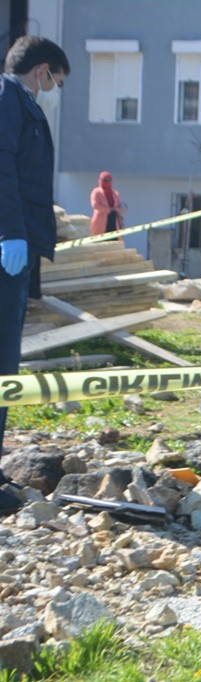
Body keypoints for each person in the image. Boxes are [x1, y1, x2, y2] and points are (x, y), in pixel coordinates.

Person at [0, 36, 70, 509]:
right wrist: (11, 231)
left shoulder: (20, 104)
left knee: (6, 360)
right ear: (42, 70)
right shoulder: (8, 96)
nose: (54, 91)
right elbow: (2, 165)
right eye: (56, 81)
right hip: (7, 245)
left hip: (17, 246)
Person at [89, 171, 123, 236]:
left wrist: (118, 209)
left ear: (110, 181)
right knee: (100, 240)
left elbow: (118, 206)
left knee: (114, 239)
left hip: (113, 222)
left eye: (105, 180)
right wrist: (108, 209)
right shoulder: (96, 192)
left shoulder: (115, 193)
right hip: (100, 223)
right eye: (101, 180)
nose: (103, 182)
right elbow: (94, 205)